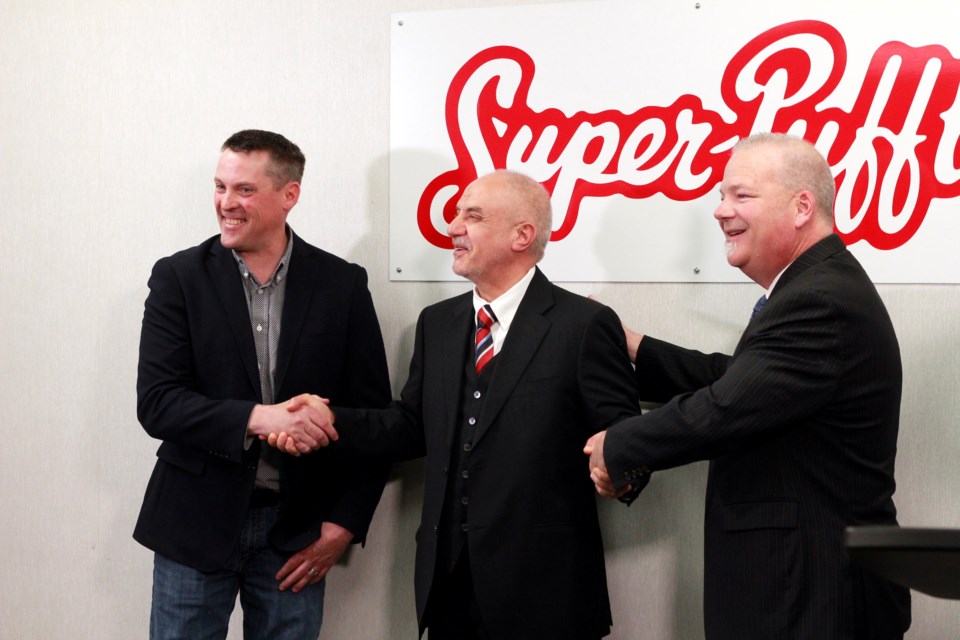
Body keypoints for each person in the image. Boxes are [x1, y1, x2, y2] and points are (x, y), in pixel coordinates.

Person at [276, 170, 640, 639]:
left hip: (547, 593)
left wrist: (622, 474)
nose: (452, 226)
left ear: (522, 235)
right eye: (456, 214)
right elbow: (412, 427)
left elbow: (624, 437)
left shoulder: (584, 324)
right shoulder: (437, 324)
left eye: (472, 215)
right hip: (448, 589)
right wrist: (331, 421)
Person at [586, 133, 911, 639]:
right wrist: (637, 348)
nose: (720, 211)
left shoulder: (820, 299)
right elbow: (746, 382)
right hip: (802, 589)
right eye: (721, 195)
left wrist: (619, 445)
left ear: (802, 206)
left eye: (741, 195)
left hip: (811, 594)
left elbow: (727, 407)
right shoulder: (816, 286)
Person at [134, 129, 391, 640]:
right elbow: (158, 404)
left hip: (296, 534)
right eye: (220, 187)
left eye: (244, 190)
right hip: (193, 526)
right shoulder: (178, 277)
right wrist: (261, 417)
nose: (226, 203)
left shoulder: (342, 284)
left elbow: (375, 420)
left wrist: (344, 525)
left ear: (289, 195)